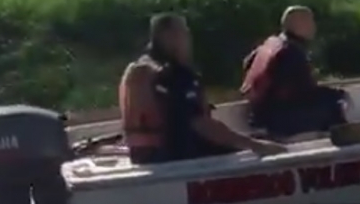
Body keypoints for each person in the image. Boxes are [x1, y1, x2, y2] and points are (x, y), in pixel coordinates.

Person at [119, 13, 288, 164]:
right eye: (184, 33)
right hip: (172, 157)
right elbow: (201, 125)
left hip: (143, 157)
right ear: (169, 36)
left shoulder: (142, 67)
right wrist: (255, 145)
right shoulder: (173, 74)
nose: (188, 39)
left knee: (252, 138)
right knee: (258, 144)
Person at [241, 6, 349, 137]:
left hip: (258, 117)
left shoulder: (269, 45)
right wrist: (337, 94)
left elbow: (248, 64)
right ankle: (342, 138)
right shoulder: (291, 52)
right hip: (277, 122)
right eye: (311, 21)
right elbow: (305, 93)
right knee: (333, 102)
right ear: (299, 24)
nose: (314, 26)